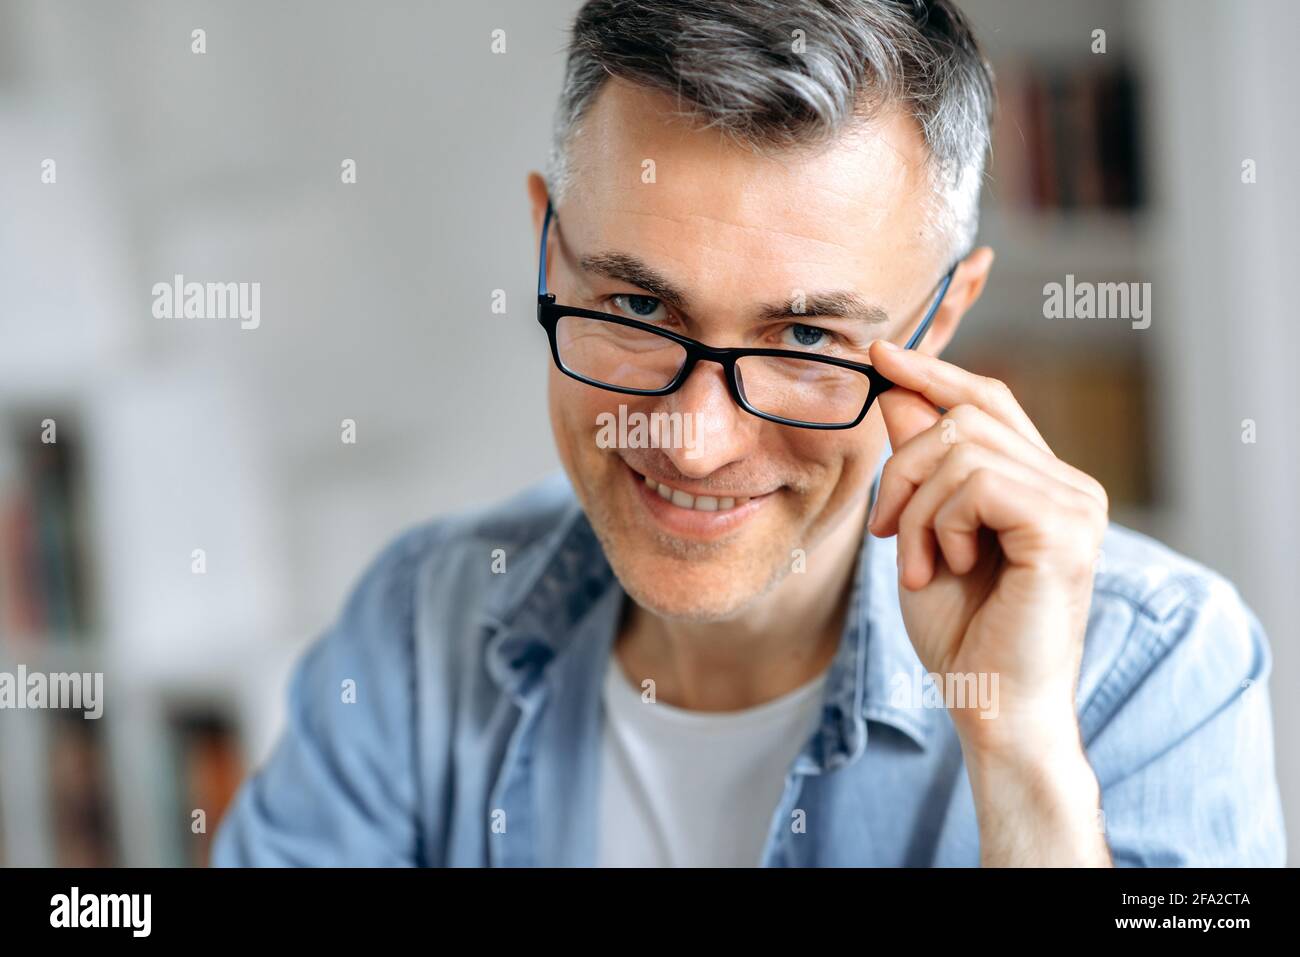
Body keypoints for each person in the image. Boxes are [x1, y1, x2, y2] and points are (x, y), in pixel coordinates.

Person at [213, 0, 1285, 866]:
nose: (693, 439)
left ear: (939, 323)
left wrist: (1020, 761)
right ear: (548, 255)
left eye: (806, 335)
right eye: (636, 310)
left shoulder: (1153, 669)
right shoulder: (419, 626)